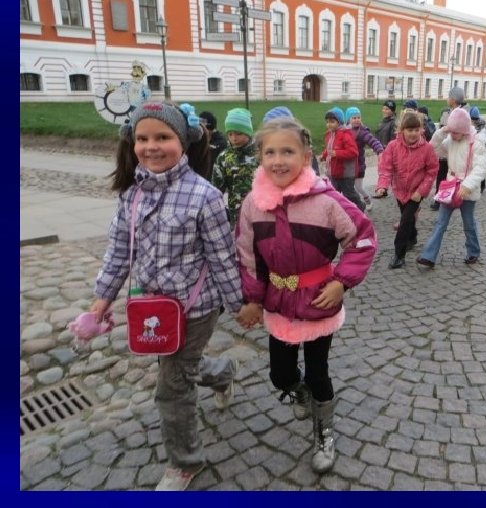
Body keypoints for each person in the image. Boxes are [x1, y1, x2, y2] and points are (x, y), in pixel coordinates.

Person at [89, 102, 245, 491]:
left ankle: (184, 463)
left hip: (196, 308)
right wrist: (102, 298)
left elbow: (222, 257)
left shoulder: (205, 196)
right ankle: (222, 373)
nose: (151, 146)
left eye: (163, 137)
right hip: (152, 308)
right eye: (142, 138)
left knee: (172, 386)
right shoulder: (131, 195)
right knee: (181, 366)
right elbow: (119, 250)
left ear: (183, 141)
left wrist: (239, 305)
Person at [235, 117, 376, 474]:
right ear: (260, 157)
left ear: (306, 156)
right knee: (280, 374)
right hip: (278, 304)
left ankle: (324, 431)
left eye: (288, 151)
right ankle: (298, 391)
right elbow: (247, 256)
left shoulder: (327, 202)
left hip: (318, 302)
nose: (278, 160)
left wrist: (341, 281)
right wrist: (252, 299)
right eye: (270, 152)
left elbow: (361, 238)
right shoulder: (253, 204)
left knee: (318, 372)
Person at [416, 107, 486, 268]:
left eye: (455, 132)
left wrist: (468, 185)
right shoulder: (450, 140)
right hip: (450, 187)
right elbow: (433, 148)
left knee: (468, 223)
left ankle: (473, 251)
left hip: (467, 190)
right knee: (440, 223)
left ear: (464, 130)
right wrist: (442, 132)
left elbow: (480, 168)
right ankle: (429, 256)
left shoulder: (477, 144)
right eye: (451, 131)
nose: (452, 135)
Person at [375, 111, 438, 269]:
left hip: (416, 192)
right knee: (407, 218)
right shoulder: (393, 146)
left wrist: (421, 191)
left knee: (404, 222)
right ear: (402, 130)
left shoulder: (427, 148)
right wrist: (382, 186)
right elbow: (386, 168)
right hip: (400, 190)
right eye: (410, 130)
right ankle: (413, 236)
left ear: (421, 130)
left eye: (416, 130)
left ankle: (399, 255)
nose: (413, 133)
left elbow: (431, 171)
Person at [211, 108, 257, 226]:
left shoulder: (261, 154)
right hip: (236, 217)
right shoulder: (224, 158)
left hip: (261, 213)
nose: (234, 138)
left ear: (248, 132)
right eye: (230, 134)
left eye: (238, 133)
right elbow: (216, 190)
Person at [320, 107, 364, 211]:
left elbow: (353, 152)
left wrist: (337, 153)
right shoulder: (329, 134)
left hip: (346, 173)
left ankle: (360, 206)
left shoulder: (345, 134)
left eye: (332, 122)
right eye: (327, 122)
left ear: (339, 122)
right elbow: (329, 148)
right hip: (334, 171)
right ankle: (338, 211)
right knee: (334, 193)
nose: (329, 124)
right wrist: (324, 155)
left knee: (349, 194)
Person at [431, 86, 467, 210]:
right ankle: (439, 198)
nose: (447, 99)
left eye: (449, 96)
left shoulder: (462, 113)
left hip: (453, 149)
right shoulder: (446, 111)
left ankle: (450, 196)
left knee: (449, 176)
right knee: (441, 175)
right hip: (444, 148)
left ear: (453, 99)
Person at [345, 107, 384, 212]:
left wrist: (380, 150)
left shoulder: (362, 132)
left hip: (359, 166)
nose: (357, 120)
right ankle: (355, 205)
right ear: (348, 119)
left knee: (358, 187)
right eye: (354, 118)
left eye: (358, 117)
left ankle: (368, 201)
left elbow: (372, 140)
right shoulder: (344, 131)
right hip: (347, 166)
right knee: (350, 188)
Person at [263, 106, 320, 174]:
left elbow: (314, 174)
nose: (278, 162)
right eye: (270, 152)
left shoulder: (304, 151)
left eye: (288, 152)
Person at [198, 111, 228, 178]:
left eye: (205, 128)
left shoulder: (221, 141)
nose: (202, 131)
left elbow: (210, 150)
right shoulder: (199, 137)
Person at [469, 106, 486, 193]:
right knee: (480, 167)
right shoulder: (484, 126)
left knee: (476, 168)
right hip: (483, 150)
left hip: (477, 150)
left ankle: (480, 185)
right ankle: (481, 185)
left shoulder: (472, 126)